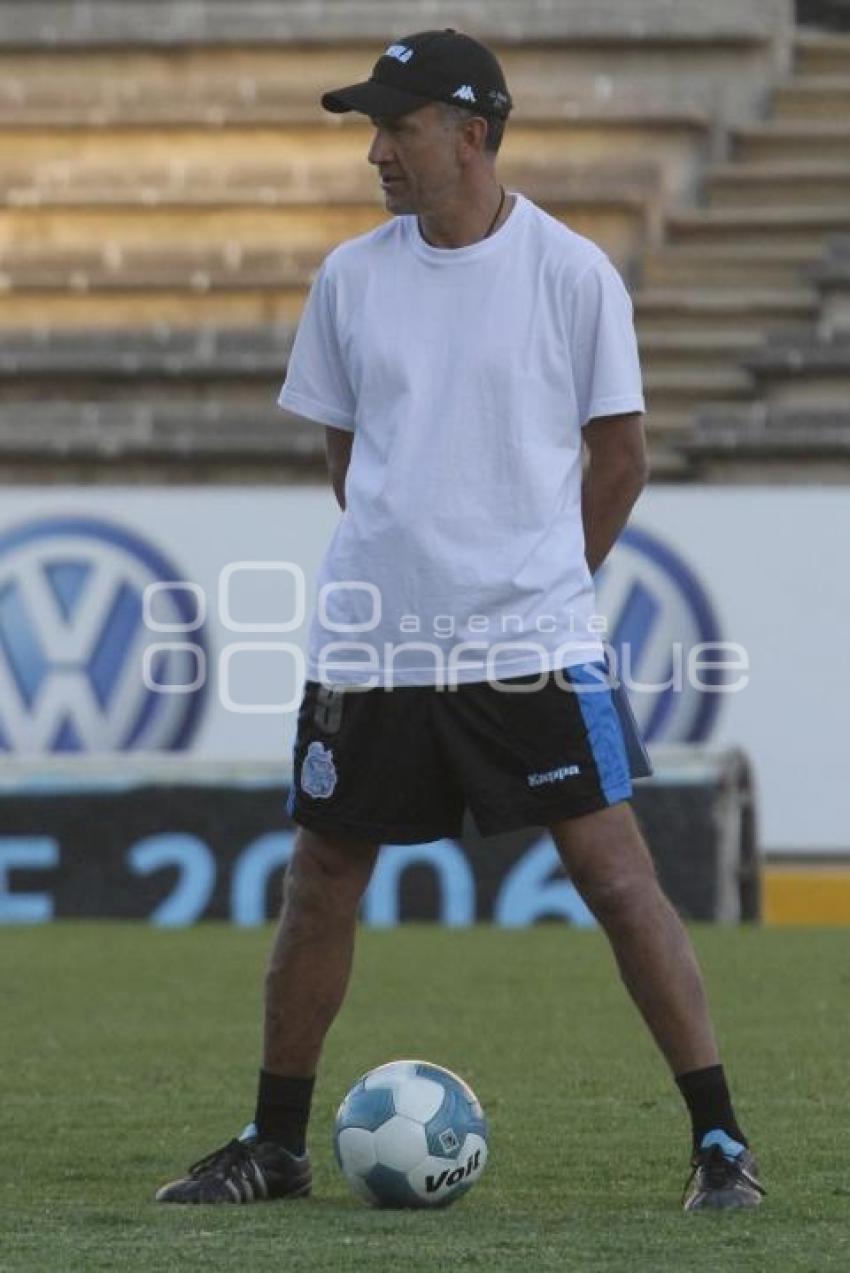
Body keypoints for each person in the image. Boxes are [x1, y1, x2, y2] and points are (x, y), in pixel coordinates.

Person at [156, 29, 763, 1213]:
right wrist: (412, 572)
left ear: (473, 134)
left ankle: (719, 1144)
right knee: (322, 876)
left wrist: (536, 580)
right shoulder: (350, 278)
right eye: (373, 128)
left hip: (528, 645)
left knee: (616, 878)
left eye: (400, 125)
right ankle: (274, 1142)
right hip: (370, 640)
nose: (377, 150)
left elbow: (621, 457)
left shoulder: (571, 273)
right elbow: (350, 458)